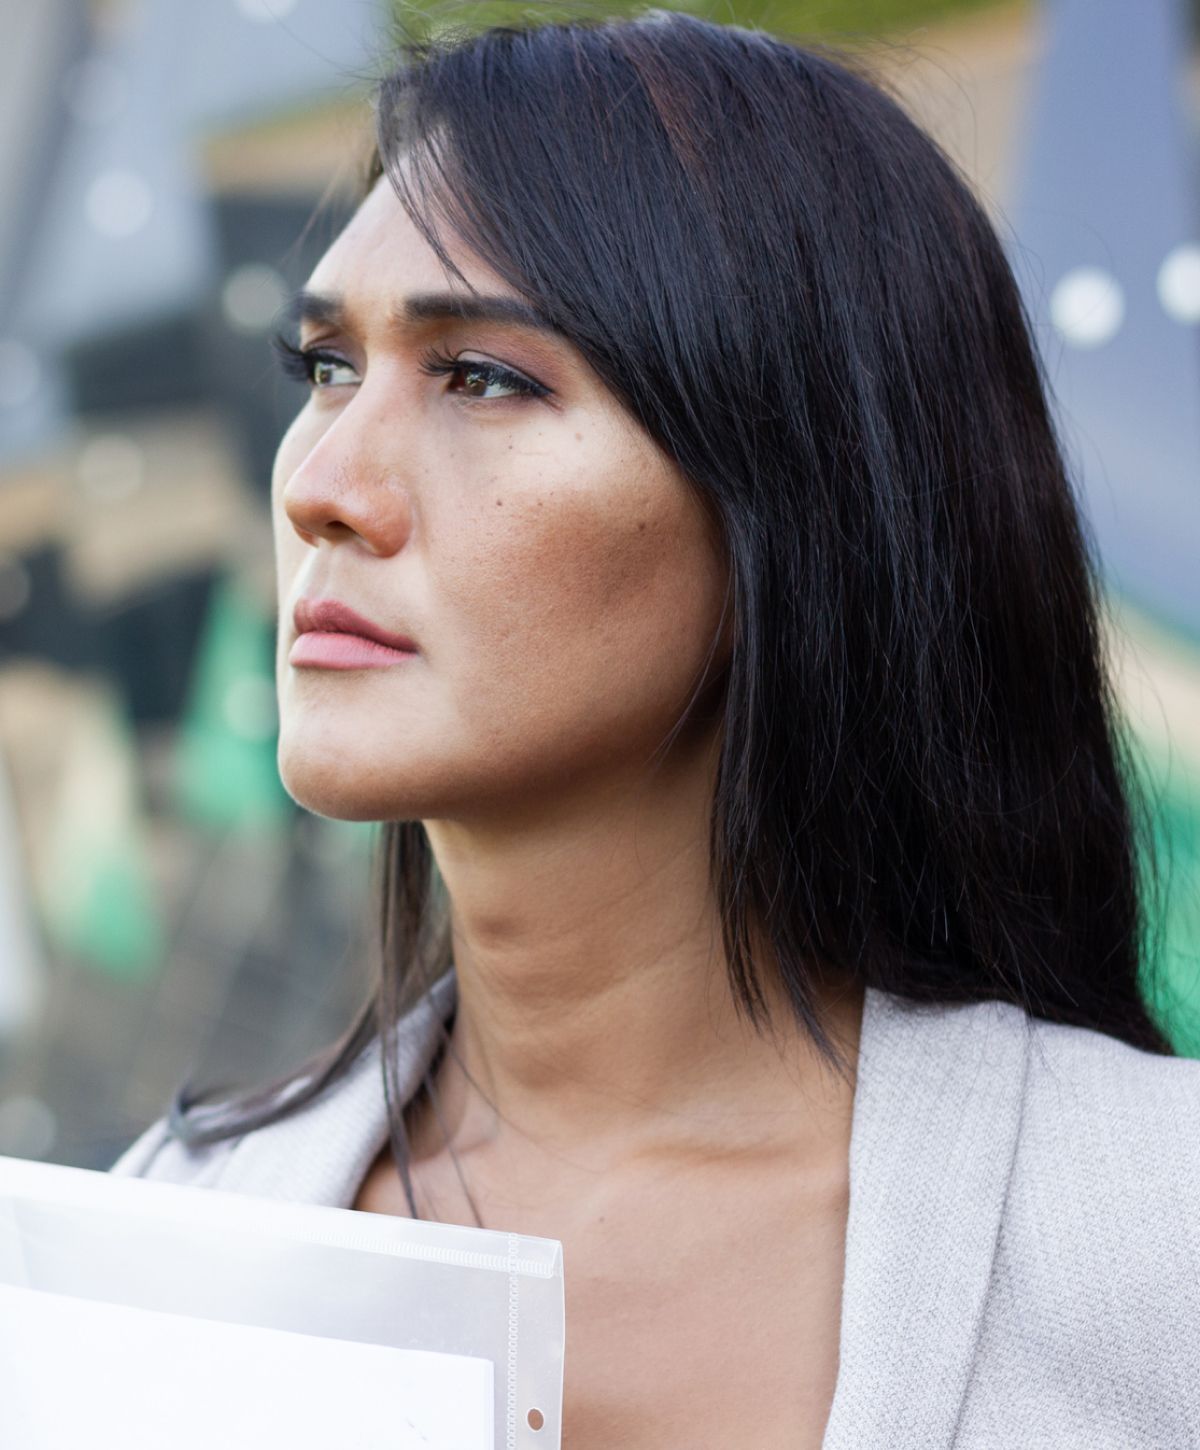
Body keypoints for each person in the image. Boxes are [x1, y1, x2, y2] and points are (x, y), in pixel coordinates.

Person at [111, 11, 1200, 1447]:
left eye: (482, 376)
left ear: (798, 499)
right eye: (325, 367)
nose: (323, 480)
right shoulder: (163, 1236)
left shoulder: (1152, 1240)